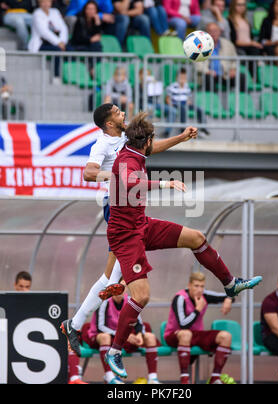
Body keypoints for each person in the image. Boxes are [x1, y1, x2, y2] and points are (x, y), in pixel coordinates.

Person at [104, 112, 262, 379]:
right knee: (141, 296)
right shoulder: (126, 160)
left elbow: (156, 147)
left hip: (142, 225)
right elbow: (130, 181)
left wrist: (182, 137)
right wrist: (165, 182)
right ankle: (114, 350)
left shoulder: (136, 148)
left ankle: (229, 282)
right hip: (125, 237)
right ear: (146, 141)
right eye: (152, 142)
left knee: (196, 237)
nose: (153, 146)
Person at [61, 103, 200, 357]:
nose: (123, 113)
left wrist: (182, 136)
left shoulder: (124, 137)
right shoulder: (102, 143)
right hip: (117, 209)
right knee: (113, 275)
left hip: (130, 208)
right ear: (109, 123)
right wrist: (116, 176)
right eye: (117, 112)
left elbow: (150, 148)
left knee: (109, 277)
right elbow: (88, 173)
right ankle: (103, 297)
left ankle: (77, 322)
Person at [13, 272, 86, 384]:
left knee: (69, 338)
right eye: (21, 286)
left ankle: (74, 377)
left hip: (37, 339)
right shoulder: (8, 302)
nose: (24, 290)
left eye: (27, 287)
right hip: (17, 340)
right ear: (15, 285)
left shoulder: (35, 302)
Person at [81, 281, 161, 384]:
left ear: (126, 288)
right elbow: (100, 327)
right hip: (103, 336)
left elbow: (138, 323)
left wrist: (140, 335)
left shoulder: (130, 301)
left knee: (150, 337)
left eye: (122, 287)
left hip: (121, 338)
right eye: (117, 287)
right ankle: (109, 377)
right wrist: (125, 336)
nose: (119, 291)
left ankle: (152, 378)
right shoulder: (104, 301)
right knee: (105, 337)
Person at [165, 272, 233, 384]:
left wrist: (229, 300)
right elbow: (183, 324)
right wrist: (198, 309)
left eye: (202, 286)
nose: (200, 289)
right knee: (186, 333)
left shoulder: (204, 295)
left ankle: (215, 378)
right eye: (196, 286)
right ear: (189, 285)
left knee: (226, 336)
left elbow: (228, 294)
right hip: (175, 335)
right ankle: (184, 380)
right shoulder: (180, 298)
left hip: (195, 335)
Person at [196, 22, 247, 92]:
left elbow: (235, 59)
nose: (213, 33)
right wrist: (207, 71)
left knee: (241, 77)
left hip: (225, 75)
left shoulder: (228, 44)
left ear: (220, 32)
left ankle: (241, 100)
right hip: (209, 75)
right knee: (208, 78)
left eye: (215, 31)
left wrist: (233, 69)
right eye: (211, 31)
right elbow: (198, 65)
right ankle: (213, 101)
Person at [28, 0, 69, 79]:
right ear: (39, 3)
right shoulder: (37, 14)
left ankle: (69, 76)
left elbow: (63, 28)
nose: (46, 4)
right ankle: (56, 76)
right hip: (41, 44)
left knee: (70, 49)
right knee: (57, 50)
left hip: (58, 41)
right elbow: (43, 32)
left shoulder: (55, 12)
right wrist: (58, 43)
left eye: (48, 1)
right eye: (43, 2)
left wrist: (62, 41)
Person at [166, 67, 209, 136]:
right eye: (181, 77)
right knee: (183, 108)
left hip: (185, 103)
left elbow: (188, 98)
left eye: (184, 77)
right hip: (176, 103)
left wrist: (189, 102)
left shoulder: (187, 86)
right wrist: (170, 104)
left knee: (199, 108)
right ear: (177, 77)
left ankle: (203, 127)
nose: (183, 79)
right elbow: (167, 99)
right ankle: (183, 129)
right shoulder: (172, 86)